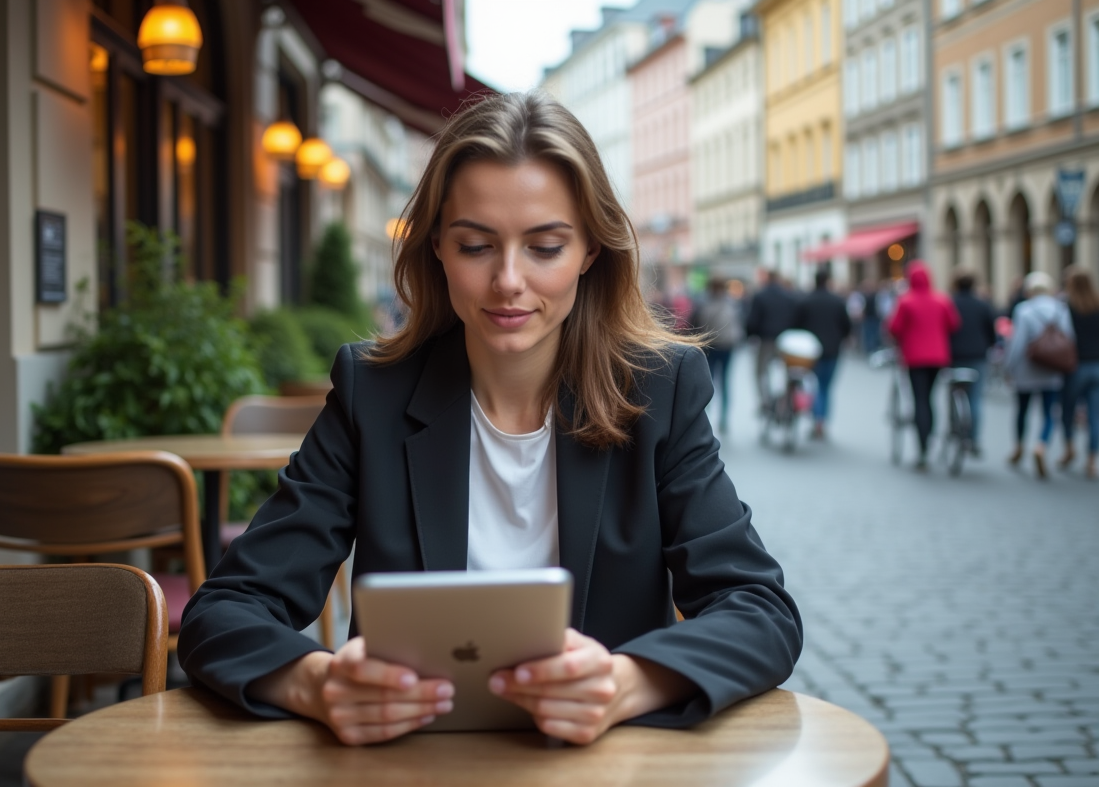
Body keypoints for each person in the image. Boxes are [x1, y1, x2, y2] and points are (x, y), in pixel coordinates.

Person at [177, 92, 801, 747]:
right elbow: (224, 610)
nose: (508, 280)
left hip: (606, 775)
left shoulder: (660, 391)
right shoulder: (373, 394)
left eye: (545, 247)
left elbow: (761, 612)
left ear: (590, 250)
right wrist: (314, 683)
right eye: (476, 246)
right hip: (408, 774)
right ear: (438, 247)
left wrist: (626, 683)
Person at [887, 262, 961, 470]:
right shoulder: (941, 299)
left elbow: (894, 327)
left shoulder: (906, 301)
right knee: (930, 398)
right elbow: (954, 324)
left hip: (914, 357)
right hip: (938, 357)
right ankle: (930, 435)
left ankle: (923, 447)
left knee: (920, 399)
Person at [1004, 271, 1074, 478]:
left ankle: (1019, 447)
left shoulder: (1024, 310)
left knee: (1022, 410)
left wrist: (1009, 368)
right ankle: (1041, 446)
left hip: (1027, 368)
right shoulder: (1060, 309)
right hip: (1051, 369)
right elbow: (1068, 338)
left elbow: (1017, 344)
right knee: (1049, 412)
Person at [793, 271, 851, 440]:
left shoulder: (805, 301)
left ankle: (815, 419)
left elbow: (796, 325)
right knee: (826, 387)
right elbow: (846, 326)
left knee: (812, 385)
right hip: (832, 349)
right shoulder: (837, 301)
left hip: (810, 351)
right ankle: (821, 421)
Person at [948, 268, 997, 453]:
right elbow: (990, 331)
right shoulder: (982, 305)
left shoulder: (950, 303)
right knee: (976, 398)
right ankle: (973, 438)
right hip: (978, 355)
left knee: (954, 392)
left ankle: (955, 429)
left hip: (955, 355)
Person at [689, 276, 744, 433]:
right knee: (726, 381)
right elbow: (739, 325)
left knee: (708, 381)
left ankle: (705, 417)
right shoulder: (732, 303)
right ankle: (724, 418)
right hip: (728, 346)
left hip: (710, 346)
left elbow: (694, 325)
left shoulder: (702, 303)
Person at [1058, 267, 1098, 477]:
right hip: (1097, 365)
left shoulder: (1067, 306)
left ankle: (1069, 448)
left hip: (1075, 365)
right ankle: (1092, 459)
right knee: (1095, 415)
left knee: (1068, 409)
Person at [745, 270, 798, 410]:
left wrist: (750, 335)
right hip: (786, 341)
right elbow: (796, 319)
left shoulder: (760, 296)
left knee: (760, 371)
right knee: (789, 371)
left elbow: (752, 321)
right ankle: (786, 400)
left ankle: (765, 401)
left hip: (766, 339)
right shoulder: (789, 297)